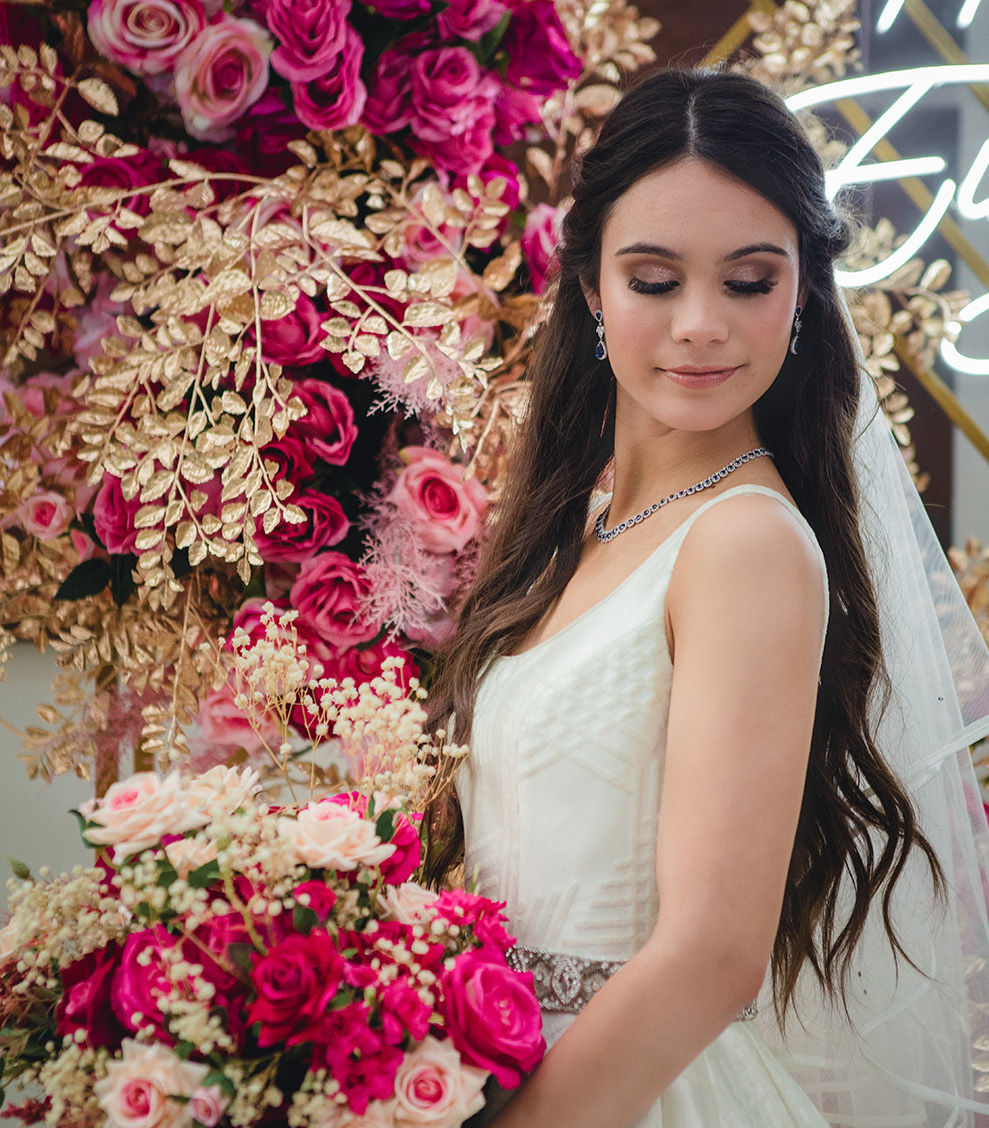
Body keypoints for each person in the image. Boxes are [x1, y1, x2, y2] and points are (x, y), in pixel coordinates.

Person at [426, 68, 989, 1127]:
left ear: (802, 295)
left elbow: (711, 957)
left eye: (746, 281)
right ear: (590, 289)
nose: (699, 325)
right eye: (652, 280)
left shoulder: (744, 544)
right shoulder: (582, 528)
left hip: (631, 1092)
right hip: (498, 1069)